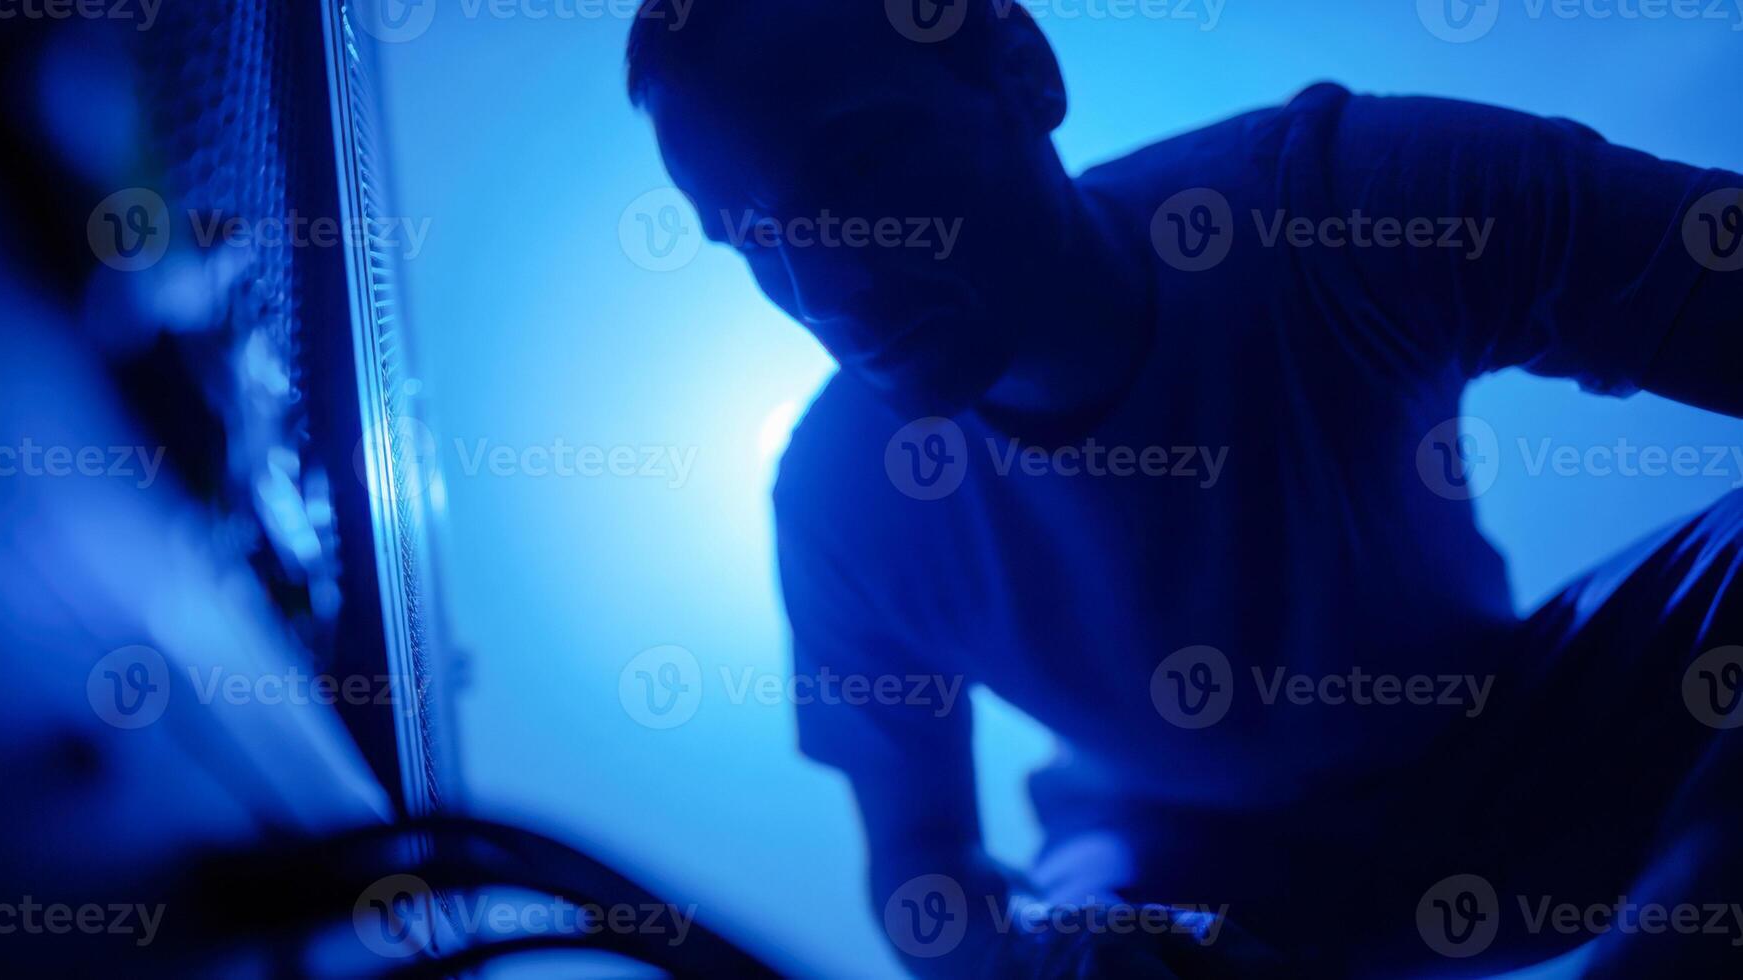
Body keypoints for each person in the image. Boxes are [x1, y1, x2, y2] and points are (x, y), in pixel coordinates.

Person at [625, 2, 1743, 975]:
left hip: (1530, 752)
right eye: (757, 235)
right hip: (1170, 883)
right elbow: (921, 862)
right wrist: (1024, 955)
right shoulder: (836, 506)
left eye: (860, 163)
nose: (824, 286)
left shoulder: (1334, 205)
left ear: (1027, 73)